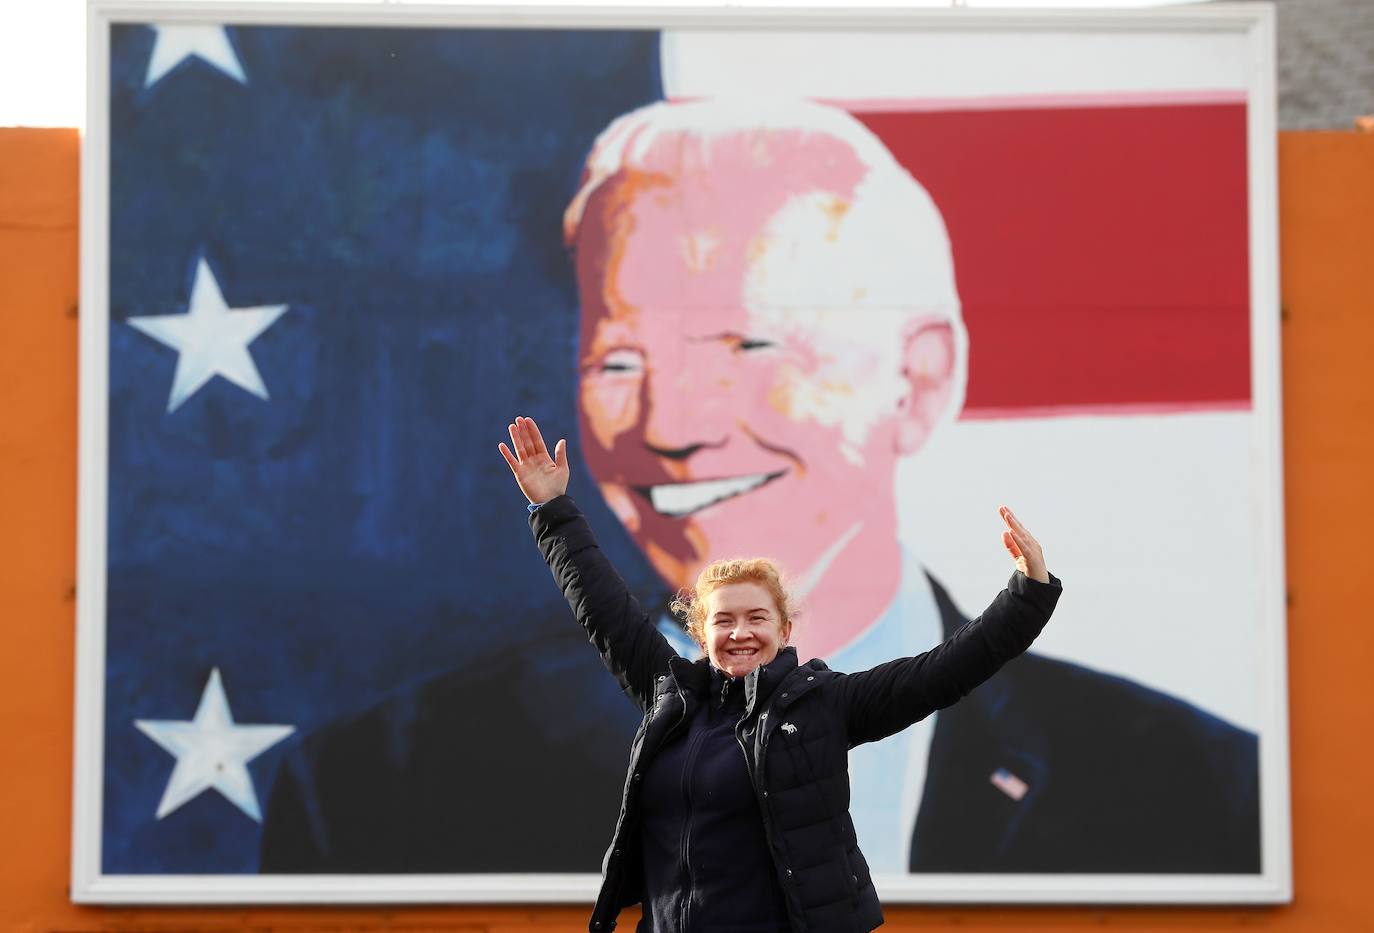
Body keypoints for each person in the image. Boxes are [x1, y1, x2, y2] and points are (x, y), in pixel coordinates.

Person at [261, 97, 1260, 876]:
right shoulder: (375, 790)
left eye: (751, 343)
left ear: (916, 381)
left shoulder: (1200, 789)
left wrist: (1030, 587)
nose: (673, 426)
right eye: (618, 362)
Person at [498, 414, 1061, 933]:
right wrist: (552, 509)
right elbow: (601, 605)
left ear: (784, 630)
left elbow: (945, 670)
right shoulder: (670, 696)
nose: (740, 632)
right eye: (724, 620)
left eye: (756, 618)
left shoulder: (824, 704)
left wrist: (1027, 595)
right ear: (701, 633)